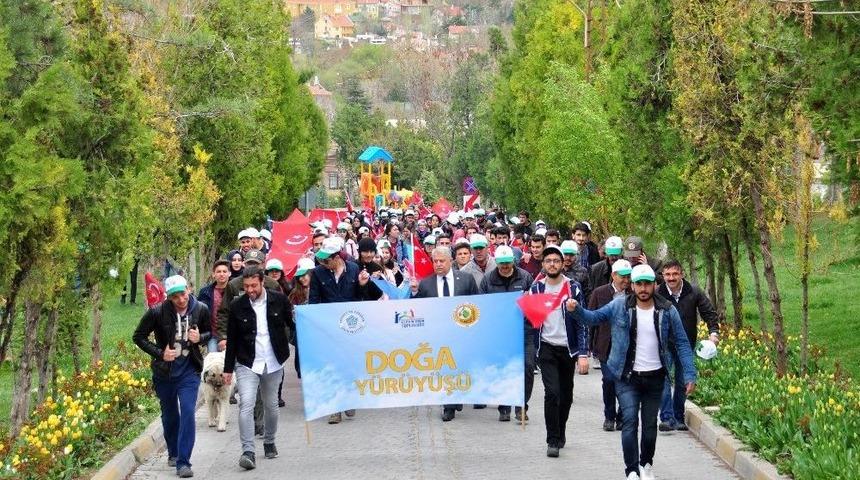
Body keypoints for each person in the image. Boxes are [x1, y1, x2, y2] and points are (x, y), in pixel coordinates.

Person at [569, 264, 697, 480]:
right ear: (633, 285)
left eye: (648, 284)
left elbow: (683, 343)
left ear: (655, 285)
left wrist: (689, 374)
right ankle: (631, 470)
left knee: (648, 426)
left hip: (655, 377)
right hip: (627, 377)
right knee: (629, 421)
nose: (643, 288)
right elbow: (593, 318)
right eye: (639, 284)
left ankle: (646, 463)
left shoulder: (667, 310)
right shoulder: (619, 305)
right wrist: (576, 310)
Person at [133, 275, 210, 478]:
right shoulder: (157, 312)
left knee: (187, 412)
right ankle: (174, 453)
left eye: (183, 294)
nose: (181, 300)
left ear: (189, 289)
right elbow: (138, 336)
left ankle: (183, 462)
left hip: (189, 371)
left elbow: (210, 332)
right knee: (170, 415)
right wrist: (160, 353)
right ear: (168, 297)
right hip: (164, 373)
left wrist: (200, 338)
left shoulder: (201, 308)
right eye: (175, 297)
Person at [223, 267, 294, 470]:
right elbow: (233, 339)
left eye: (254, 285)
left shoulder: (279, 300)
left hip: (273, 361)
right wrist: (228, 370)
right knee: (246, 403)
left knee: (271, 405)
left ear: (262, 282)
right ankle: (248, 451)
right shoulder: (237, 306)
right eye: (246, 287)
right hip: (246, 361)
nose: (250, 290)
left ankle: (270, 440)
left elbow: (293, 325)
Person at [529, 245, 588, 458]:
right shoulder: (536, 289)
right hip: (546, 348)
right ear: (543, 265)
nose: (552, 264)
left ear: (562, 264)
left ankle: (561, 430)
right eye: (548, 261)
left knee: (566, 396)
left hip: (568, 349)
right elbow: (529, 321)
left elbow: (582, 322)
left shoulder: (573, 288)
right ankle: (552, 439)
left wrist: (583, 353)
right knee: (552, 393)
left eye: (556, 260)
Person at [410, 246, 479, 422]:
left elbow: (477, 304)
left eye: (442, 261)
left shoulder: (466, 279)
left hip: (463, 332)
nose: (438, 264)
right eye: (435, 261)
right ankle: (448, 405)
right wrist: (414, 292)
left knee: (461, 367)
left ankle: (459, 395)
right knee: (445, 369)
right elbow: (418, 310)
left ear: (450, 261)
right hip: (439, 334)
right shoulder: (426, 283)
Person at [308, 236, 371, 424]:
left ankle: (348, 399)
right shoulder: (318, 273)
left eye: (327, 259)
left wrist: (362, 285)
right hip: (328, 328)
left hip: (351, 328)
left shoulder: (354, 269)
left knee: (349, 365)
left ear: (337, 257)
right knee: (332, 367)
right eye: (321, 259)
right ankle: (335, 407)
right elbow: (314, 301)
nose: (324, 263)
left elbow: (361, 299)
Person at [656, 260, 719, 431]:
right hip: (664, 344)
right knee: (663, 379)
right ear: (663, 276)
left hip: (686, 343)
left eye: (675, 274)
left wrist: (713, 333)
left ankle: (678, 416)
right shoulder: (657, 293)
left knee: (683, 380)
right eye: (668, 274)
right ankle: (667, 418)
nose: (671, 278)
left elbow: (710, 313)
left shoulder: (694, 292)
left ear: (682, 274)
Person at [479, 246, 534, 422]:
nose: (504, 267)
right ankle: (504, 405)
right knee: (503, 369)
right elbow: (482, 307)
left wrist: (528, 301)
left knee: (527, 367)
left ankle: (521, 405)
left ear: (513, 261)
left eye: (507, 263)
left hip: (524, 330)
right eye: (501, 263)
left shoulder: (525, 277)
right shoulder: (488, 279)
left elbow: (534, 304)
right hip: (500, 333)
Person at [589, 259, 633, 432]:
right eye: (622, 277)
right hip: (605, 346)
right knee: (608, 381)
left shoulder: (633, 294)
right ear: (613, 275)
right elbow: (591, 320)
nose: (626, 281)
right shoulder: (599, 293)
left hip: (627, 347)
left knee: (625, 382)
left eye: (628, 277)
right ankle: (609, 416)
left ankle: (623, 417)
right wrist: (589, 348)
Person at [287, 258, 315, 379]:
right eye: (300, 276)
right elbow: (290, 315)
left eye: (305, 275)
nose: (302, 278)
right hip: (302, 332)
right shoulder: (295, 293)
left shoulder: (320, 289)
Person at [198, 260, 231, 353]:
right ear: (213, 274)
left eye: (224, 271)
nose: (222, 274)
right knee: (213, 363)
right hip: (212, 334)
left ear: (229, 273)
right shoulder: (205, 292)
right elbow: (199, 313)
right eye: (218, 271)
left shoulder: (235, 291)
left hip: (231, 335)